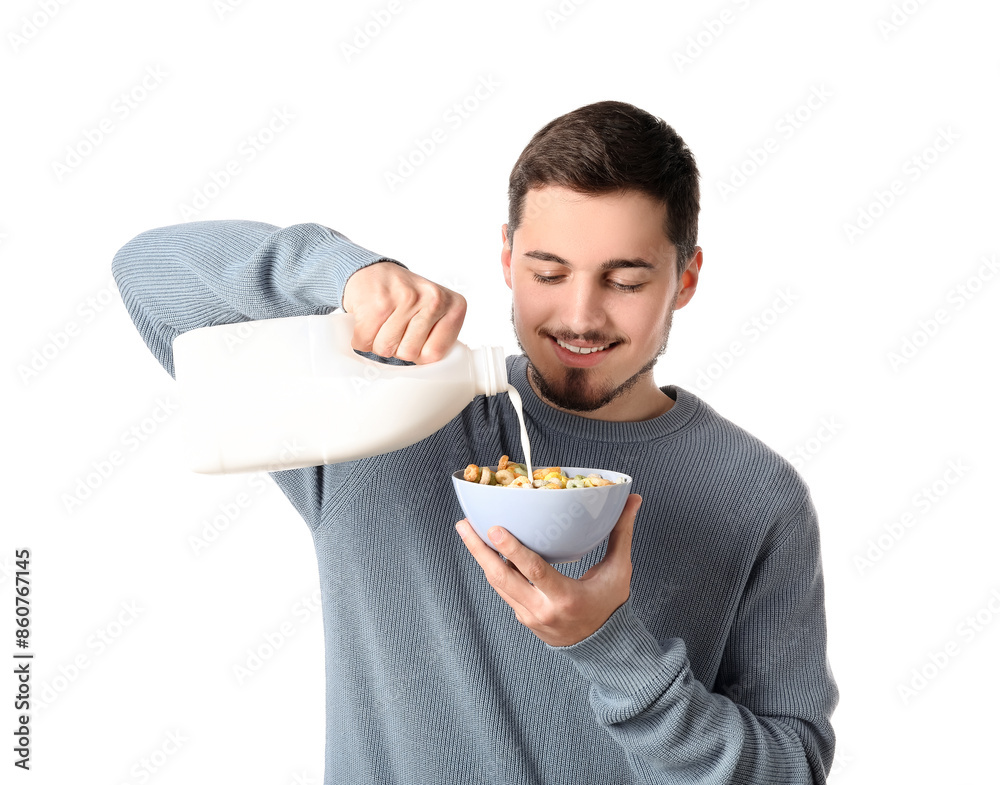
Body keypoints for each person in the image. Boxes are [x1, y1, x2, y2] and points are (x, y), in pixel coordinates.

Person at [112, 100, 838, 784]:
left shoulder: (755, 492)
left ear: (685, 278)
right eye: (548, 273)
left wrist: (611, 646)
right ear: (506, 258)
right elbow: (149, 278)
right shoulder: (377, 410)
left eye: (623, 279)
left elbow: (793, 769)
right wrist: (345, 275)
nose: (579, 316)